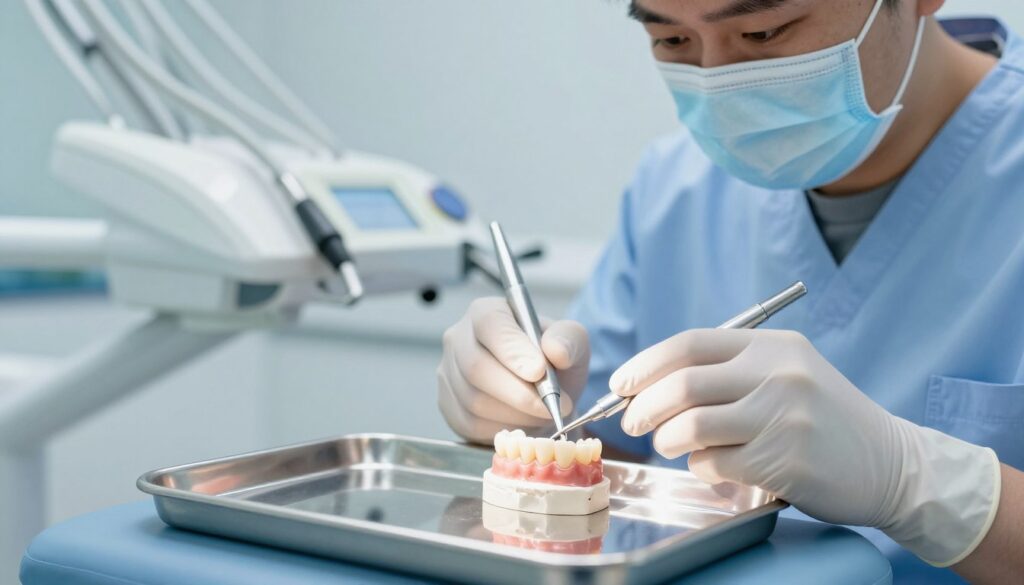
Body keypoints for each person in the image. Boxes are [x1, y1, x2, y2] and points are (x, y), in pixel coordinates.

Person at [436, 0, 1024, 582]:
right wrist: (532, 428)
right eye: (672, 41)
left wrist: (918, 482)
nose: (721, 85)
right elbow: (621, 477)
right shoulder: (675, 191)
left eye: (763, 31)